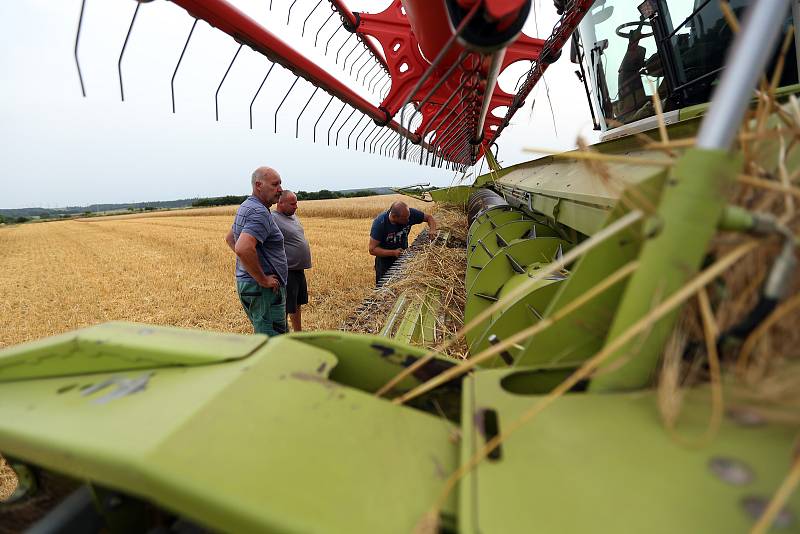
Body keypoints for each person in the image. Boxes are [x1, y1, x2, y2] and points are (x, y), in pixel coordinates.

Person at [224, 166, 288, 336]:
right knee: (273, 342)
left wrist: (250, 265)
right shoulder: (259, 212)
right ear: (258, 185)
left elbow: (230, 238)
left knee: (268, 335)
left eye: (280, 184)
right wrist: (262, 279)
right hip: (263, 291)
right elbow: (243, 248)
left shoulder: (247, 206)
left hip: (251, 286)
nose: (280, 190)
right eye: (275, 185)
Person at [368, 201, 437, 286]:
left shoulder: (408, 214)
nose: (409, 220)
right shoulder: (380, 223)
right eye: (405, 219)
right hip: (384, 262)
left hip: (403, 257)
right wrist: (393, 252)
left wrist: (432, 229)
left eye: (409, 217)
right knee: (384, 289)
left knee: (401, 285)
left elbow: (429, 218)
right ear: (394, 217)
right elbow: (372, 250)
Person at [273, 190, 312, 332]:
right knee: (285, 305)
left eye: (296, 202)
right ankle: (283, 334)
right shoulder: (273, 218)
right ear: (280, 203)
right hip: (286, 270)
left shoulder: (293, 216)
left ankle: (298, 333)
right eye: (292, 203)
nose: (296, 206)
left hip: (298, 269)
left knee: (296, 303)